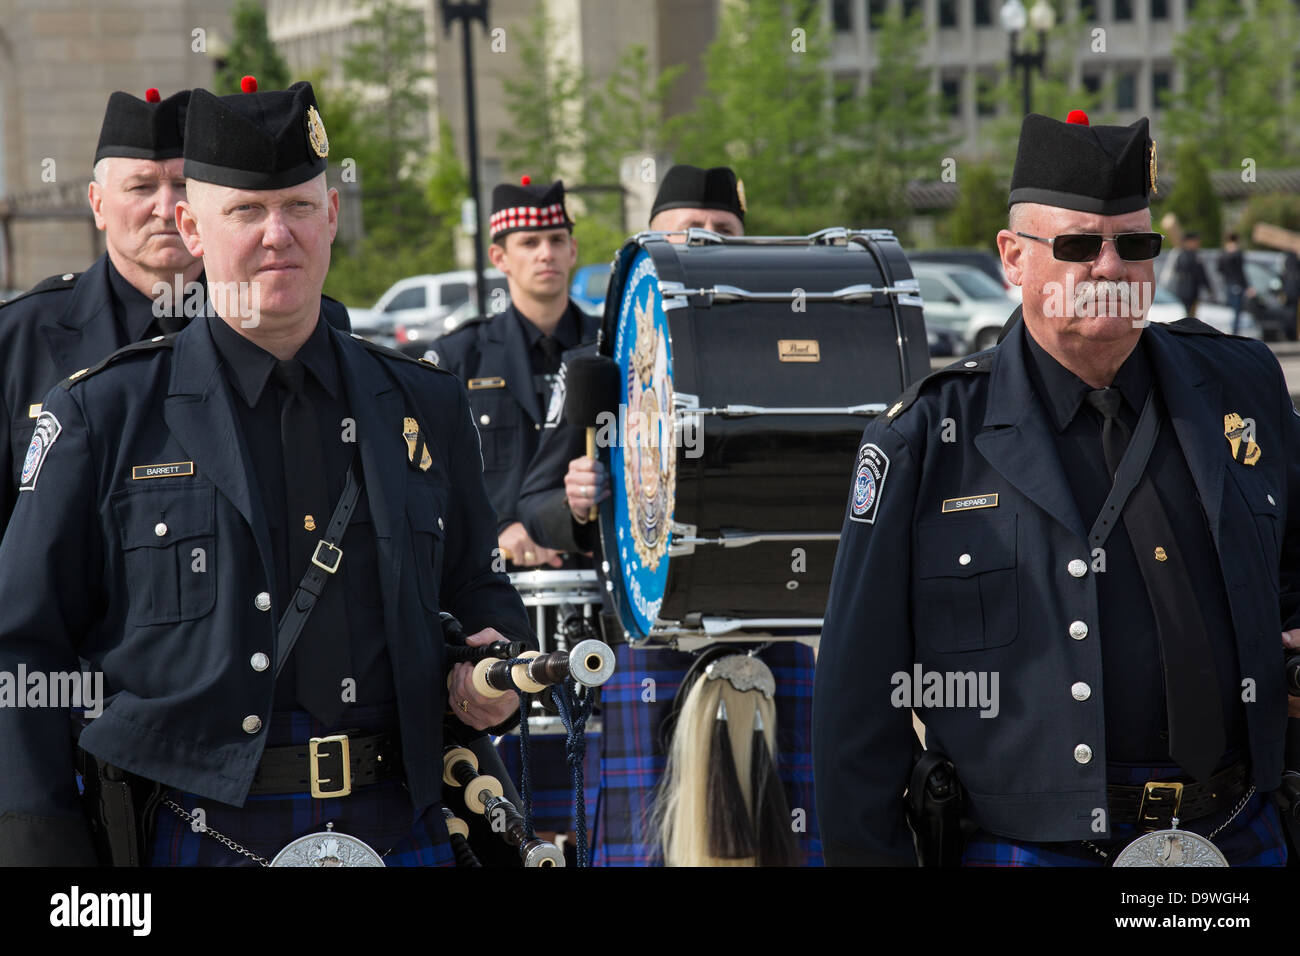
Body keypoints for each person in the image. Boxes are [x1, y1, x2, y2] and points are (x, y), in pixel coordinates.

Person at [0, 79, 532, 866]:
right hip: (199, 825)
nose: (277, 234)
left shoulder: (422, 401)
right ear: (193, 226)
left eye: (299, 207)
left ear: (333, 218)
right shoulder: (106, 414)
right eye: (246, 211)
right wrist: (46, 858)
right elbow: (22, 646)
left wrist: (497, 663)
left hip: (402, 818)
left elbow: (476, 587)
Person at [815, 110, 1300, 866]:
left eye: (1135, 245)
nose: (1109, 270)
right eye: (1077, 245)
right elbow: (857, 707)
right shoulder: (929, 440)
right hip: (1037, 845)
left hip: (1237, 831)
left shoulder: (1243, 386)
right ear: (1013, 258)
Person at [517, 165, 821, 866]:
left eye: (726, 230)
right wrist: (576, 501)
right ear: (654, 241)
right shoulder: (603, 363)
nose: (710, 241)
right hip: (648, 653)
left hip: (771, 642)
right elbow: (534, 508)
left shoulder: (793, 354)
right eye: (692, 230)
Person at [0, 86, 351, 532]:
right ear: (98, 203)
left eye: (182, 184)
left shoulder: (287, 322)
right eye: (142, 186)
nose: (165, 208)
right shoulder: (18, 338)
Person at [431, 178, 599, 572]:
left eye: (557, 240)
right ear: (499, 257)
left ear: (573, 250)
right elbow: (429, 476)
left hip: (599, 575)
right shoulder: (459, 357)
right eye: (529, 243)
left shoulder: (611, 348)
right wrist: (498, 528)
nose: (547, 254)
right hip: (494, 580)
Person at [1217, 233, 1252, 336]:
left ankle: (1229, 331)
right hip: (1237, 284)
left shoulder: (1223, 253)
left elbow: (1219, 269)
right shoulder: (1237, 253)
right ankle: (1234, 332)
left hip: (1227, 284)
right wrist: (1247, 286)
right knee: (1237, 311)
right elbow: (1241, 271)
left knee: (1229, 309)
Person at [1172, 230, 1210, 318]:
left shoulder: (1194, 255)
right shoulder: (1184, 255)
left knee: (1191, 316)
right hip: (1186, 292)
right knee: (1188, 317)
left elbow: (1202, 274)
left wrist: (1208, 288)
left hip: (1192, 291)